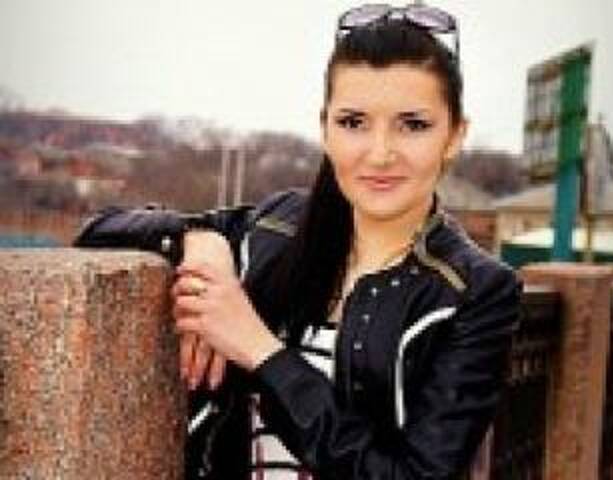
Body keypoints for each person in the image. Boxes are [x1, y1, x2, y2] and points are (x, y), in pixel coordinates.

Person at [74, 4, 521, 479]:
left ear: (454, 136)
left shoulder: (477, 291)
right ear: (324, 128)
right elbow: (99, 231)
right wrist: (198, 240)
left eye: (413, 125)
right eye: (353, 122)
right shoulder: (276, 228)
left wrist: (259, 350)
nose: (380, 153)